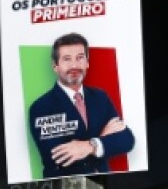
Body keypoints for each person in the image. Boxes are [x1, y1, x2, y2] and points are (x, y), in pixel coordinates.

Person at [28, 32, 135, 179]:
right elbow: (60, 159)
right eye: (67, 59)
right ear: (55, 66)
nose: (74, 65)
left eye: (80, 58)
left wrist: (87, 146)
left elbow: (127, 140)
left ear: (87, 62)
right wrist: (102, 138)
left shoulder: (100, 97)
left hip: (106, 185)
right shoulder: (42, 107)